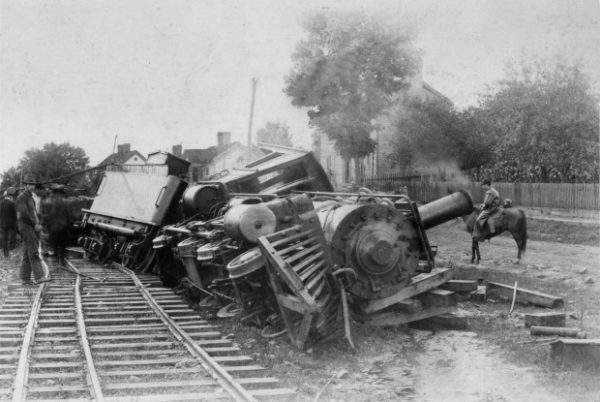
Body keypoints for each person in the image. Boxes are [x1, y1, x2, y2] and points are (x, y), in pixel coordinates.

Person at [16, 174, 50, 284]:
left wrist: (39, 222)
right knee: (34, 252)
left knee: (27, 253)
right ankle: (39, 277)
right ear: (25, 185)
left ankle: (25, 278)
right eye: (29, 184)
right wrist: (34, 224)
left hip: (31, 227)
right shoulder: (22, 197)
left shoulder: (30, 198)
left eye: (32, 184)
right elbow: (23, 214)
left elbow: (34, 213)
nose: (31, 186)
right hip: (26, 227)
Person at [45, 185, 72, 265]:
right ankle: (61, 260)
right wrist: (69, 224)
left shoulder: (54, 202)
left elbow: (52, 214)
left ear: (56, 193)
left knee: (55, 244)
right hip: (63, 226)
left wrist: (47, 221)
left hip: (56, 227)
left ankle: (58, 261)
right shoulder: (66, 202)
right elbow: (69, 214)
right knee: (62, 245)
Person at [0, 188, 18, 258]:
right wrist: (16, 222)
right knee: (12, 236)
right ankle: (11, 249)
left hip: (2, 223)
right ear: (10, 196)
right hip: (11, 224)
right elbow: (14, 215)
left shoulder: (0, 203)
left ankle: (6, 253)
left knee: (5, 238)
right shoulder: (12, 203)